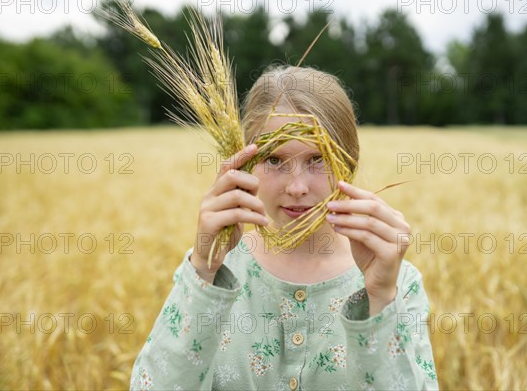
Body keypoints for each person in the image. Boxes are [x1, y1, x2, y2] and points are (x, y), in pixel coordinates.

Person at [129, 65, 438, 390]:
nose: (297, 187)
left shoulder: (398, 282)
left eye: (317, 159)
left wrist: (380, 299)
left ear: (349, 162)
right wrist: (204, 271)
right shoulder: (211, 273)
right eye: (274, 160)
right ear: (244, 164)